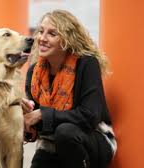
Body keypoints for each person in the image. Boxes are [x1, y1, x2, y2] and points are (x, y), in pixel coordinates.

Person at [21, 9, 117, 168]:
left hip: (91, 140)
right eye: (41, 31)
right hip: (51, 144)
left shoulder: (86, 64)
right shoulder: (34, 72)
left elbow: (90, 115)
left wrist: (41, 114)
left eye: (52, 34)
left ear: (67, 40)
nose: (42, 38)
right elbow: (38, 123)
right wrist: (26, 118)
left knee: (66, 132)